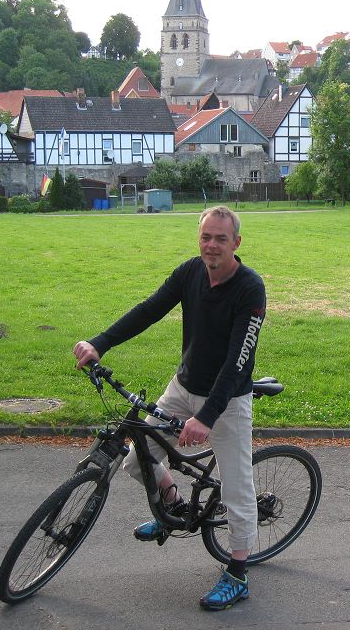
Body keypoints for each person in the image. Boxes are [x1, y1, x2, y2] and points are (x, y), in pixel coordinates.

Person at [73, 205, 265, 611]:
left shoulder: (250, 289)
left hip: (227, 401)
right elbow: (149, 309)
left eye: (221, 238)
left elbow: (237, 361)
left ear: (236, 243)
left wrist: (206, 418)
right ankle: (173, 506)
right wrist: (99, 343)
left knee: (236, 489)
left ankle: (238, 573)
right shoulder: (190, 272)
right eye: (205, 237)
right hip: (182, 387)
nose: (211, 245)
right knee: (136, 460)